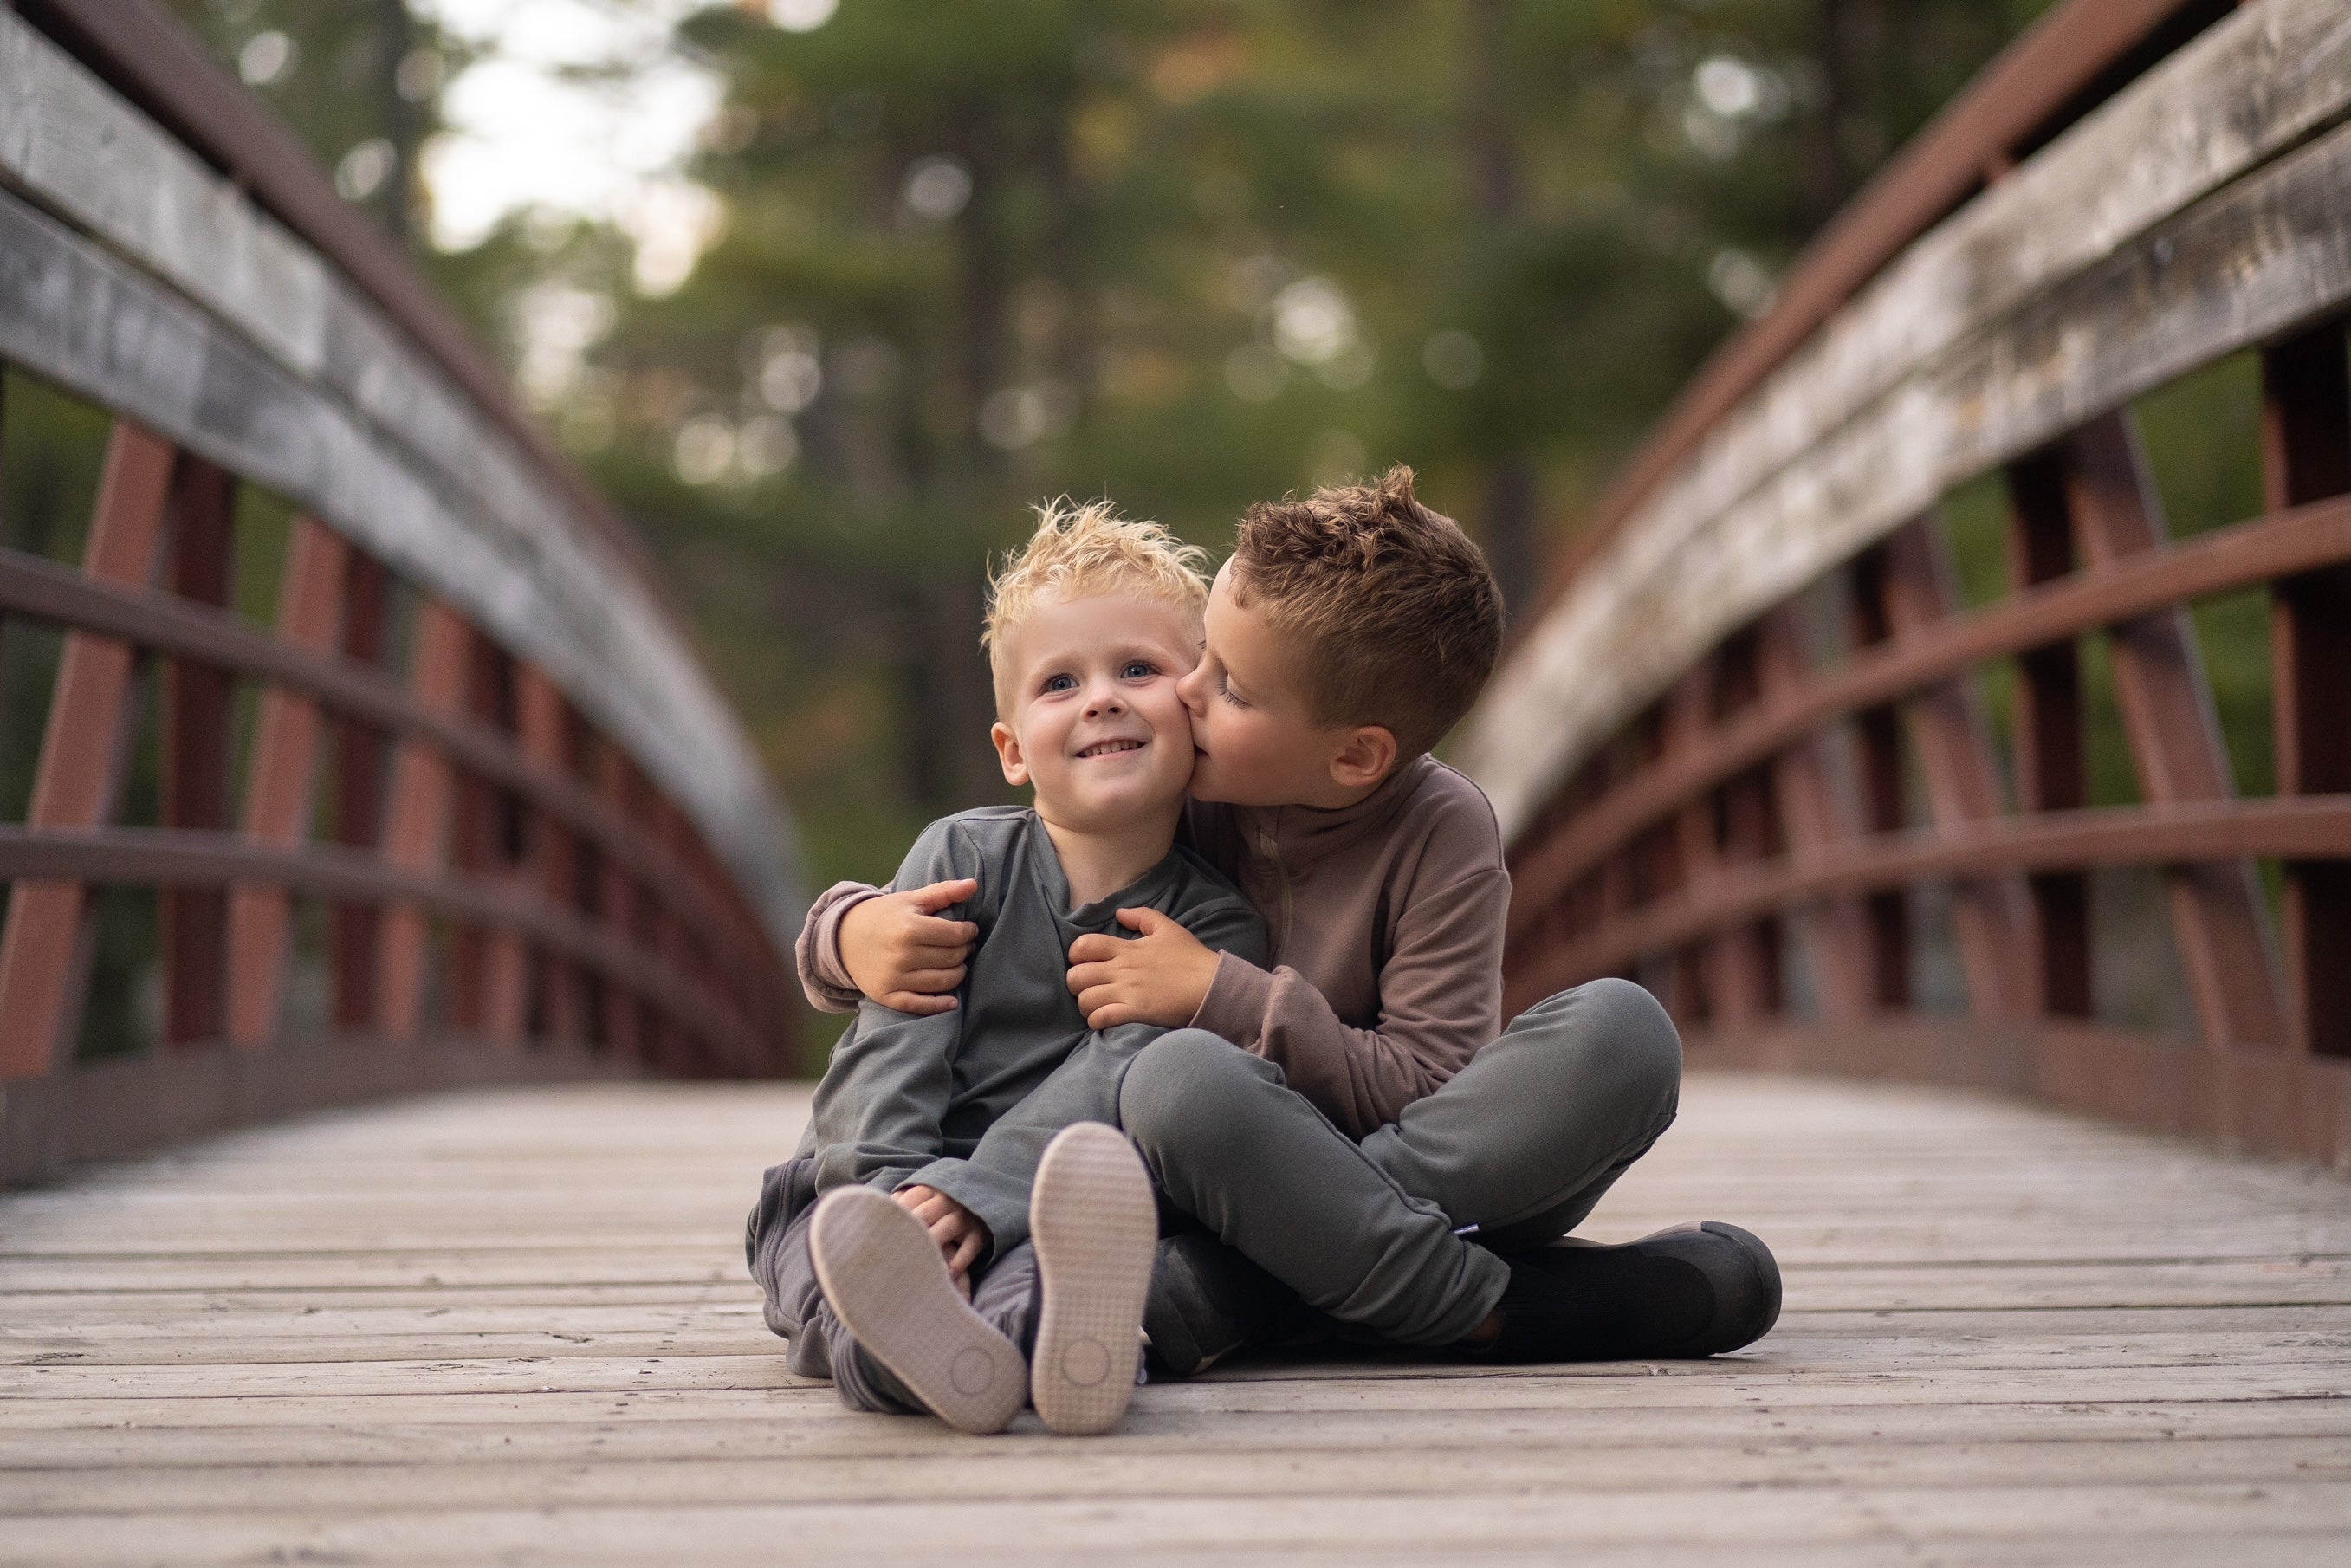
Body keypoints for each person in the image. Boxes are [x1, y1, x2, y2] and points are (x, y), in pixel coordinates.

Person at [799, 467, 1780, 1374]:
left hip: (1351, 1176)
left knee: (1622, 1033)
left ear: (1352, 757)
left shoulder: (1442, 831)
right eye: (1199, 659)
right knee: (1181, 1082)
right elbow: (1018, 853)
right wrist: (845, 933)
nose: (1180, 692)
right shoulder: (1175, 769)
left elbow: (1427, 1092)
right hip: (1216, 1158)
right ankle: (1498, 1309)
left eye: (1224, 682)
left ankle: (1252, 1292)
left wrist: (1221, 995)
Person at [747, 501, 1265, 1436]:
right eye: (1059, 681)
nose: (1101, 696)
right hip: (853, 1189)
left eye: (1137, 669)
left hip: (1034, 1207)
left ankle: (1057, 1356)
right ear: (1011, 750)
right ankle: (923, 1351)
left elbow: (1119, 1077)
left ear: (1195, 709)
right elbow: (894, 1041)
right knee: (845, 1287)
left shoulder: (1210, 924)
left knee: (1048, 1278)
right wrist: (891, 1204)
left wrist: (979, 1199)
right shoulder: (960, 859)